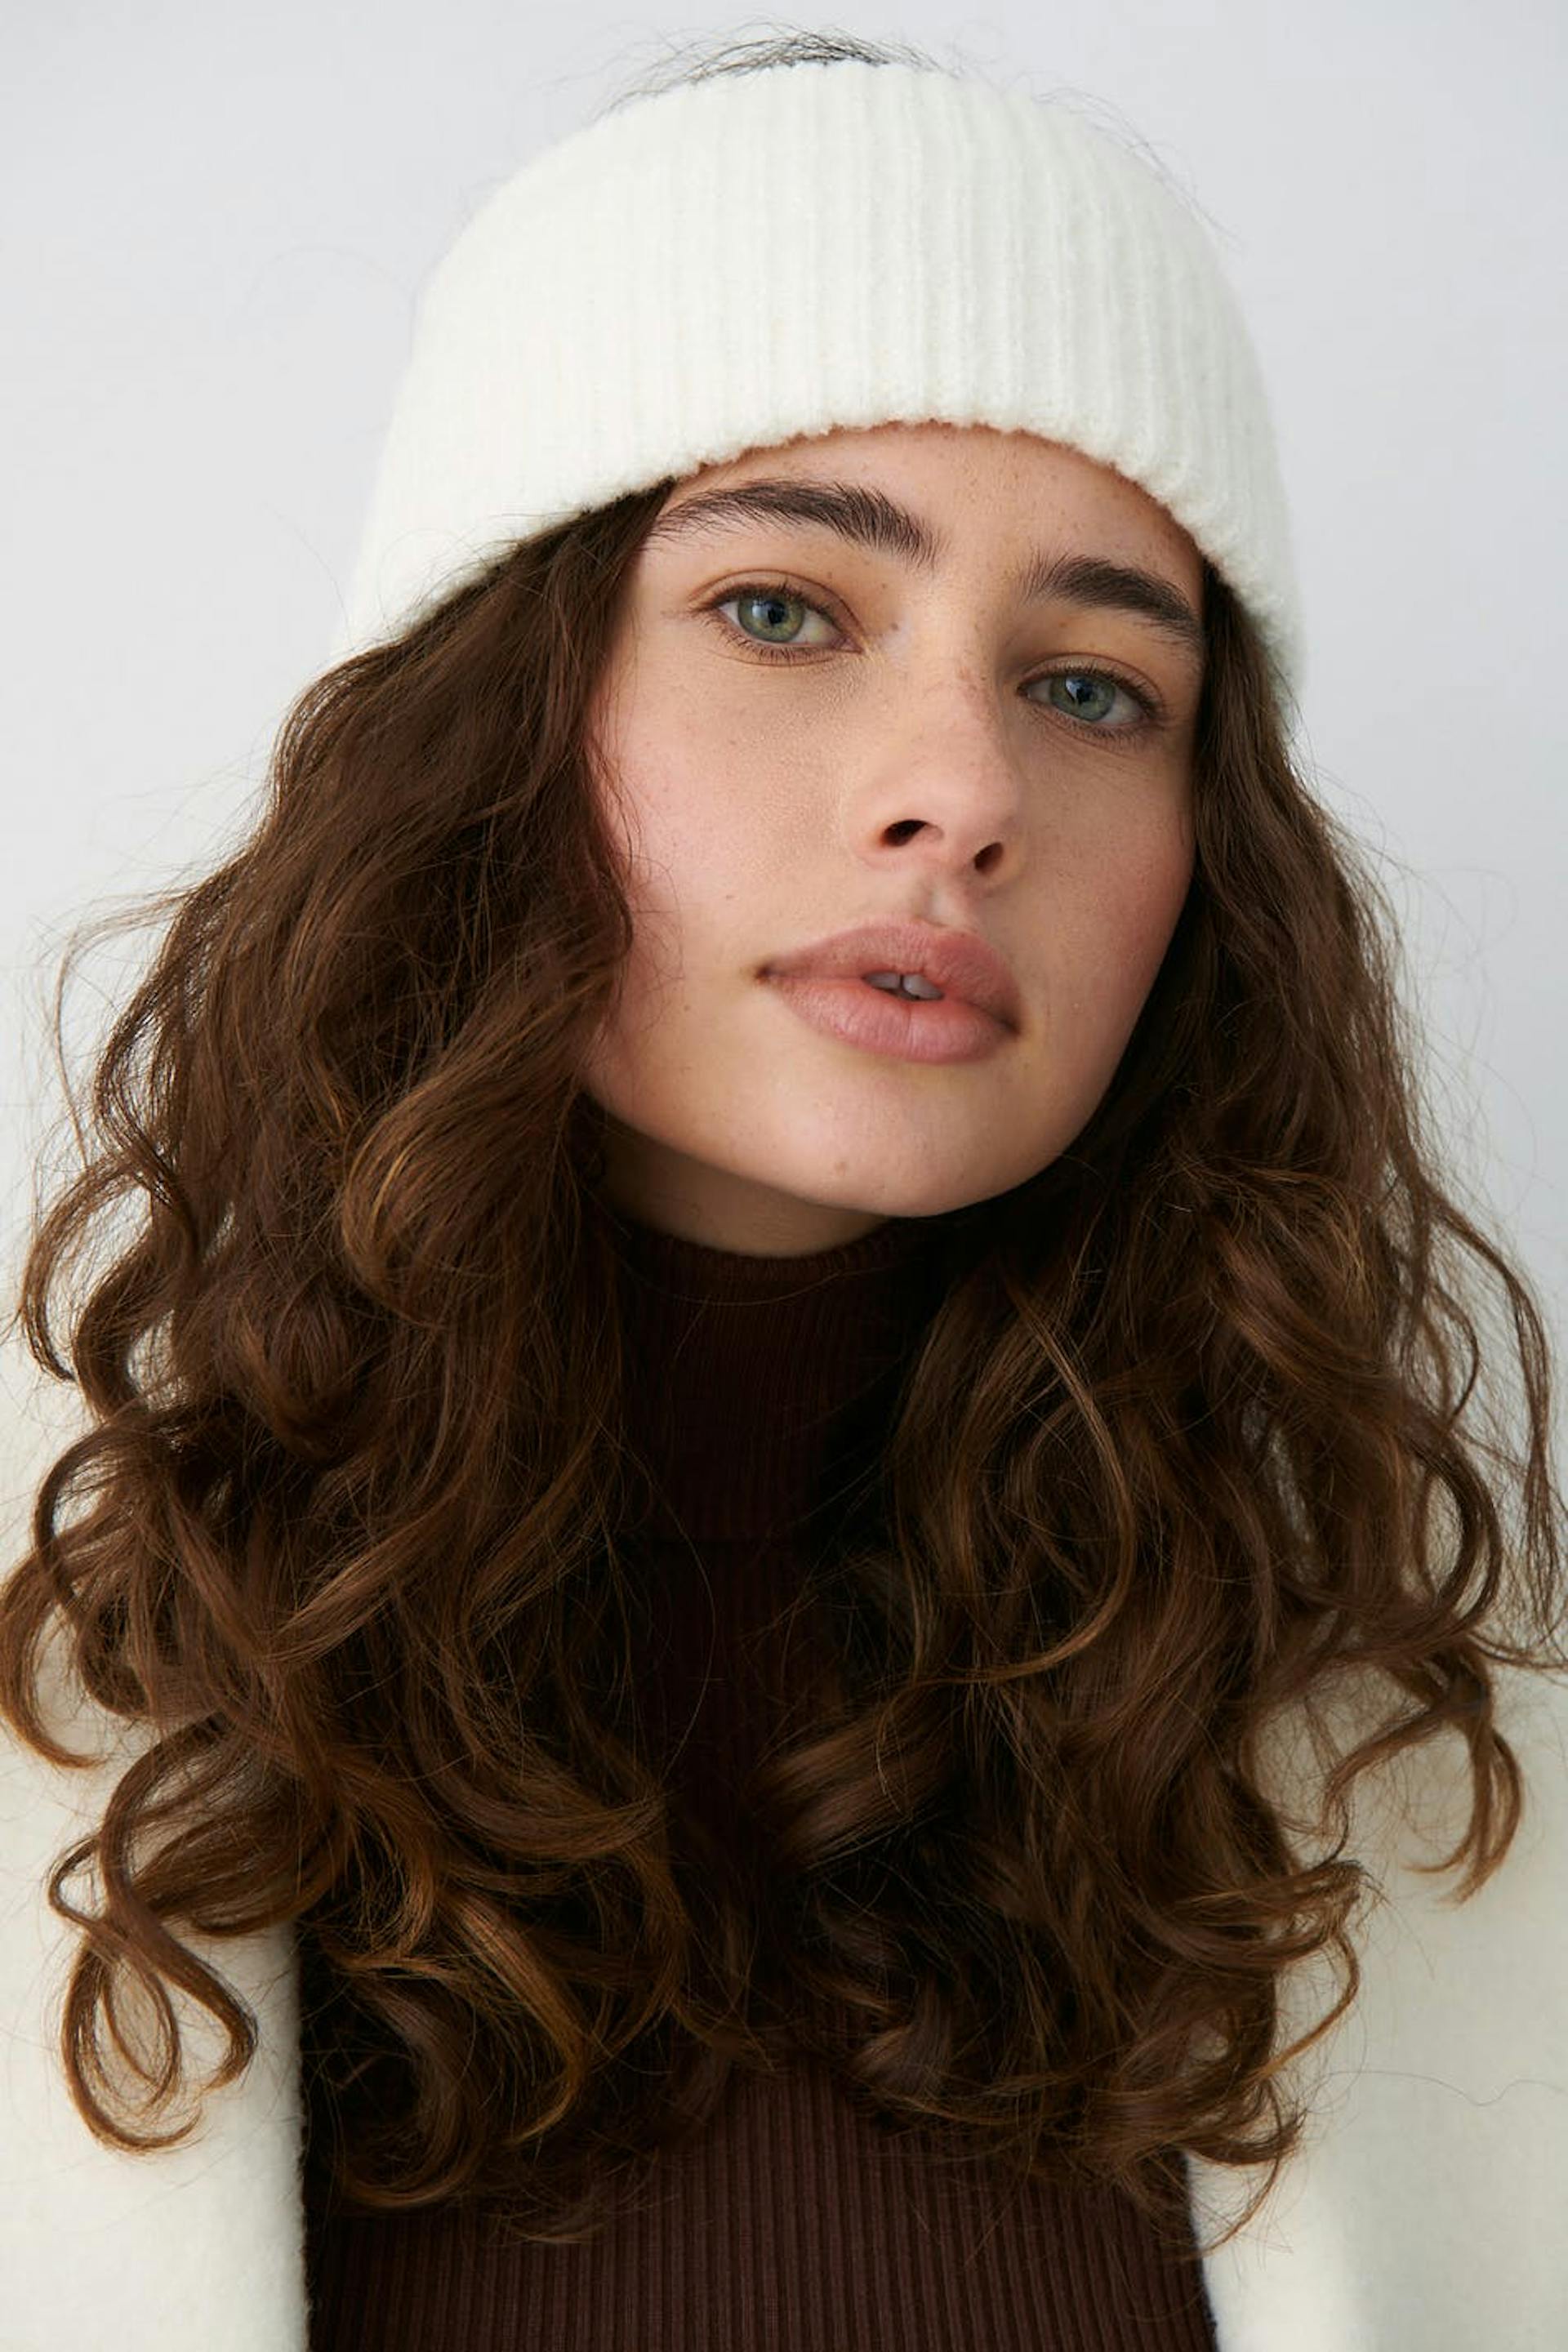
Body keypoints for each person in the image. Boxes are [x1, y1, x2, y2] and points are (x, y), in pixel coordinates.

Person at [2, 29, 1565, 2352]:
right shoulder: (67, 1650)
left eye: (1095, 687)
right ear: (486, 719)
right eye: (782, 611)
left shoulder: (1463, 1766)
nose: (964, 787)